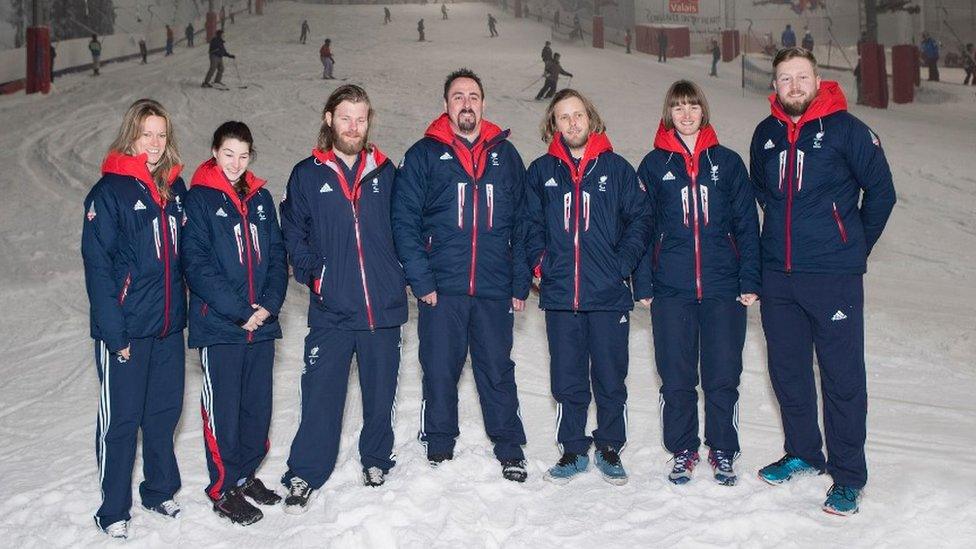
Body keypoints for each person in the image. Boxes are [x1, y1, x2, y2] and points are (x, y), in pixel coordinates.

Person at [749, 48, 896, 516]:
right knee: (787, 372)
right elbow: (763, 195)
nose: (793, 85)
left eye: (801, 77)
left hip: (833, 277)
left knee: (842, 378)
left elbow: (882, 193)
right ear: (775, 86)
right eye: (784, 78)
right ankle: (803, 452)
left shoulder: (848, 130)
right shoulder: (766, 135)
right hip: (778, 277)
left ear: (818, 80)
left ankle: (848, 476)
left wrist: (851, 247)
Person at [392, 68, 531, 483]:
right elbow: (405, 222)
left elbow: (523, 223)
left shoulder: (506, 156)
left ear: (483, 104)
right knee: (439, 367)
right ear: (446, 105)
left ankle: (509, 448)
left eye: (473, 96)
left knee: (496, 369)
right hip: (443, 287)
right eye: (457, 97)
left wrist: (519, 280)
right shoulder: (423, 155)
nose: (466, 103)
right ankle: (439, 445)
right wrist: (422, 280)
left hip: (493, 285)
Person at [279, 85, 408, 513]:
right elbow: (292, 234)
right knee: (320, 394)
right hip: (332, 310)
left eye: (361, 118)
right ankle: (305, 472)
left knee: (380, 392)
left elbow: (409, 226)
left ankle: (376, 458)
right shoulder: (307, 175)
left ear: (369, 121)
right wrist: (317, 275)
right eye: (345, 117)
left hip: (382, 308)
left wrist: (400, 273)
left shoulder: (388, 172)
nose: (354, 127)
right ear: (329, 119)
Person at [633, 80, 760, 487]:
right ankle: (683, 448)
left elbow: (746, 226)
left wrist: (749, 278)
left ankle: (722, 447)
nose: (686, 114)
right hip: (671, 288)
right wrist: (644, 284)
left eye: (692, 106)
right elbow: (643, 229)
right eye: (678, 107)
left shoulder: (728, 162)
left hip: (723, 287)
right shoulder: (654, 166)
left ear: (703, 111)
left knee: (723, 373)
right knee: (676, 374)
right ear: (668, 114)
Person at [524, 89, 652, 486]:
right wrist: (541, 263)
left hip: (607, 293)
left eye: (578, 115)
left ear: (591, 118)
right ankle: (573, 449)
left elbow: (641, 219)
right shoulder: (542, 171)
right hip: (562, 294)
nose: (573, 123)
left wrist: (621, 264)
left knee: (611, 376)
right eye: (564, 117)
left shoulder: (616, 169)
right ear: (554, 125)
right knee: (567, 377)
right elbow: (528, 225)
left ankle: (610, 446)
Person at [82, 98, 188, 539]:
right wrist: (114, 332)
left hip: (167, 327)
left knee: (163, 414)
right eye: (146, 133)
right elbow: (98, 266)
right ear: (131, 135)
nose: (155, 142)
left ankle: (159, 489)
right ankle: (113, 508)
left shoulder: (174, 190)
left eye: (161, 134)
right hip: (126, 329)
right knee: (122, 421)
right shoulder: (109, 193)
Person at [182, 122, 287, 526]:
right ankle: (222, 488)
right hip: (222, 326)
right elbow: (198, 265)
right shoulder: (200, 200)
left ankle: (246, 475)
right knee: (223, 411)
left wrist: (270, 305)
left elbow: (277, 255)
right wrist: (241, 311)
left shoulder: (260, 197)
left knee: (256, 409)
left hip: (261, 325)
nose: (236, 163)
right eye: (228, 154)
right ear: (214, 151)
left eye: (243, 156)